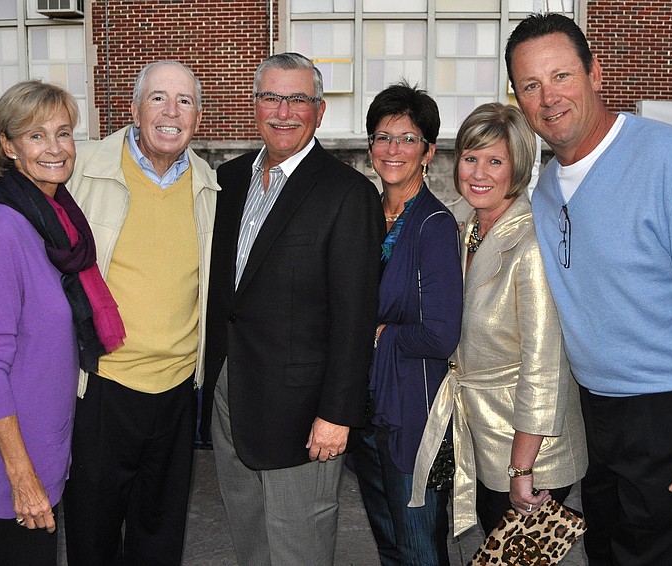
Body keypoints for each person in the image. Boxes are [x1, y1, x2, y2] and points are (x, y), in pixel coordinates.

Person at [505, 13, 672, 565]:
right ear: (518, 99)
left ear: (596, 74)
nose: (548, 97)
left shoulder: (671, 160)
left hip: (670, 415)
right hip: (595, 417)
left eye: (561, 76)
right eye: (530, 85)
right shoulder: (547, 187)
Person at [0, 60, 219, 565]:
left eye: (184, 101)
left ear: (199, 117)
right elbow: (14, 215)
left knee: (159, 538)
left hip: (178, 391)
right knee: (92, 538)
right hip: (101, 387)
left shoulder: (210, 183)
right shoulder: (80, 165)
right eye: (157, 98)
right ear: (134, 109)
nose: (170, 111)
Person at [201, 52, 385, 566]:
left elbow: (355, 318)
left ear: (319, 111)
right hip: (229, 393)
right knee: (249, 539)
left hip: (304, 413)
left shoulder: (348, 194)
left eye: (298, 99)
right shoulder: (227, 181)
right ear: (253, 105)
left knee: (297, 545)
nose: (283, 111)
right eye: (271, 97)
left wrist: (336, 414)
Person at [409, 102, 588, 539]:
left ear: (519, 168)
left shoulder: (531, 245)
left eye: (495, 161)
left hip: (531, 450)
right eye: (471, 158)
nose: (478, 173)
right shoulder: (464, 226)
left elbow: (545, 369)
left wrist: (522, 467)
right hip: (481, 434)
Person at [0, 80, 124, 565]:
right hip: (15, 453)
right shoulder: (2, 231)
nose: (54, 148)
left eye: (63, 132)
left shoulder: (56, 221)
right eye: (35, 136)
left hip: (48, 445)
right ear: (9, 146)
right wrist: (21, 474)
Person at [349, 82, 463, 566]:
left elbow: (441, 332)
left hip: (414, 413)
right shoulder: (367, 215)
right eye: (382, 136)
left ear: (428, 151)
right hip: (369, 408)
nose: (392, 149)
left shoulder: (433, 225)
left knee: (419, 547)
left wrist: (378, 334)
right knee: (391, 545)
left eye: (407, 138)